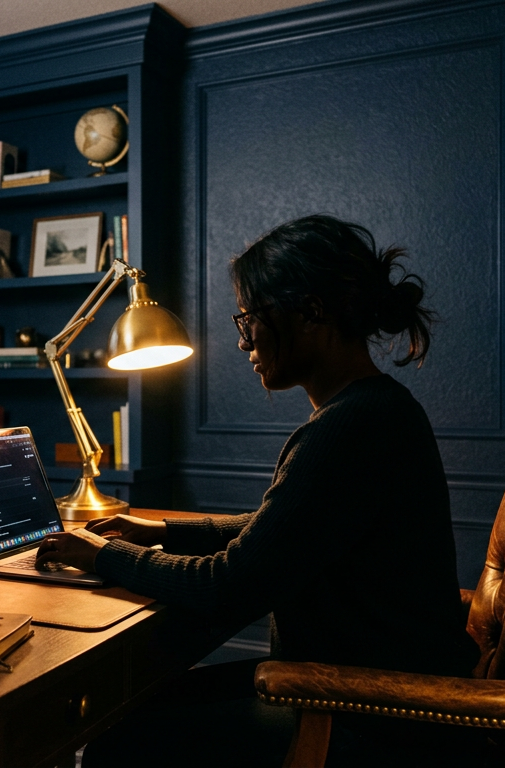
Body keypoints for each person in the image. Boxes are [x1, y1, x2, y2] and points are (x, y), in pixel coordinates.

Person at [34, 214, 481, 767]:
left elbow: (229, 584)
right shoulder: (377, 410)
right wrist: (160, 531)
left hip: (367, 713)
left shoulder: (348, 429)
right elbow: (287, 531)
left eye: (250, 319)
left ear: (311, 313)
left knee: (115, 738)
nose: (244, 340)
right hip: (357, 686)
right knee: (132, 705)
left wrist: (106, 556)